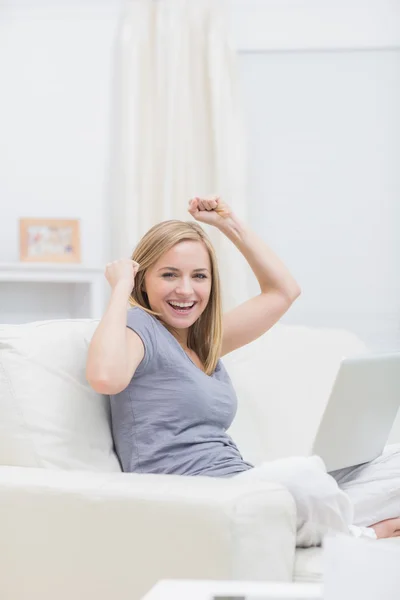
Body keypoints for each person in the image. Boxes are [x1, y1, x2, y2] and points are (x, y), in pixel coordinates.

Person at [86, 195, 400, 544]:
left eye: (199, 276)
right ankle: (356, 533)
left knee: (392, 461)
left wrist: (228, 225)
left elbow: (284, 291)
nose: (185, 289)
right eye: (169, 275)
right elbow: (105, 376)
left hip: (244, 485)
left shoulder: (204, 344)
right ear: (143, 280)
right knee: (301, 475)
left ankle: (316, 520)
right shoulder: (140, 328)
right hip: (195, 498)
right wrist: (120, 289)